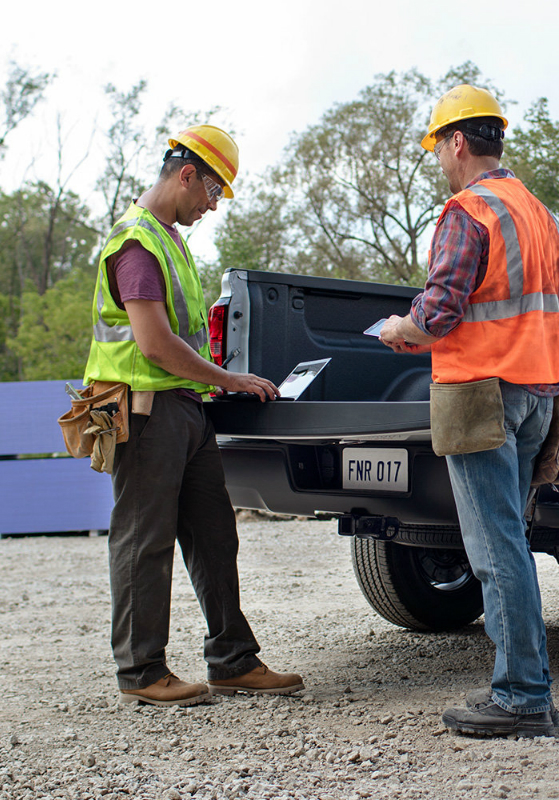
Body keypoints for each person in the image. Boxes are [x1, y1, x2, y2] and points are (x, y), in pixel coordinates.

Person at [83, 124, 303, 707]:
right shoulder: (136, 243)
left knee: (213, 536)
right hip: (146, 411)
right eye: (211, 192)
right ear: (187, 174)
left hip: (186, 409)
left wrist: (217, 385)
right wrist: (228, 379)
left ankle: (232, 660)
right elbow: (154, 343)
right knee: (144, 541)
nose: (211, 206)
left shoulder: (170, 239)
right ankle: (141, 672)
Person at [379, 85, 559, 737]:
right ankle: (526, 683)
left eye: (437, 146)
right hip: (536, 393)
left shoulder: (467, 211)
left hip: (481, 392)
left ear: (456, 141)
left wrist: (399, 330)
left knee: (493, 547)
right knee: (509, 540)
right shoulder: (537, 213)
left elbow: (439, 313)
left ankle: (521, 696)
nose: (438, 159)